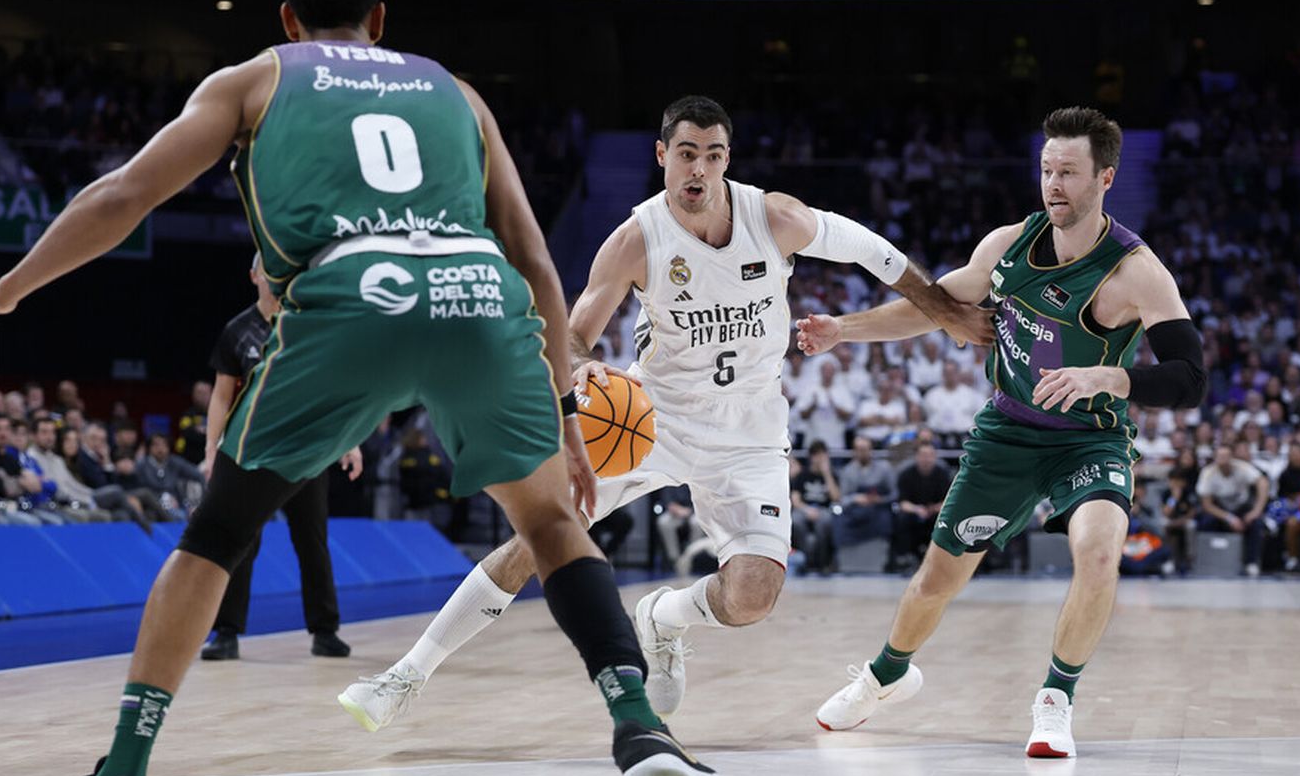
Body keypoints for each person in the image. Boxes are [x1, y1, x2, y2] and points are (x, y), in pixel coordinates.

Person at [0, 0, 729, 776]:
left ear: (287, 18)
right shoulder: (455, 92)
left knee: (217, 536)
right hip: (478, 294)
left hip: (353, 293)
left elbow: (123, 196)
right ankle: (639, 725)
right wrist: (565, 413)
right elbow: (536, 260)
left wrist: (8, 287)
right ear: (380, 18)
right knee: (550, 524)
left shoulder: (254, 80)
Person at [341, 93, 990, 727]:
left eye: (712, 155)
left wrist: (945, 311)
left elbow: (875, 252)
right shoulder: (636, 239)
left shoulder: (775, 217)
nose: (698, 168)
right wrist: (582, 363)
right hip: (651, 420)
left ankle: (664, 617)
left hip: (749, 431)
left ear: (728, 159)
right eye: (686, 153)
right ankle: (404, 675)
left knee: (753, 596)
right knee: (537, 538)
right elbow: (575, 333)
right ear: (662, 156)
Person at [803, 106, 1205, 757]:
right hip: (1008, 433)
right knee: (936, 580)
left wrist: (1109, 378)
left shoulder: (1136, 272)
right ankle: (886, 675)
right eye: (1047, 170)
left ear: (1105, 177)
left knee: (1099, 553)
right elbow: (935, 305)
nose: (1053, 184)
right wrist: (840, 330)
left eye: (1068, 172)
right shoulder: (1007, 245)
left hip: (1089, 440)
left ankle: (1055, 699)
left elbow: (1190, 378)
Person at [198, 255, 357, 661]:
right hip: (252, 452)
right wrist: (211, 449)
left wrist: (349, 440)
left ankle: (325, 630)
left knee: (311, 541)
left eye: (280, 272)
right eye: (266, 271)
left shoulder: (305, 324)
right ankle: (226, 632)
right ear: (253, 275)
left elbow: (332, 387)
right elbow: (221, 396)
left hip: (306, 451)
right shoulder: (237, 331)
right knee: (241, 540)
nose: (274, 278)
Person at [1196, 443, 1269, 576]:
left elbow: (1263, 482)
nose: (1223, 460)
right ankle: (1210, 560)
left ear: (1232, 457)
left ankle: (1251, 563)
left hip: (1242, 507)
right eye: (1220, 456)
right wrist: (1229, 518)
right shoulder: (1207, 473)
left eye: (1226, 456)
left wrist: (1256, 511)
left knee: (1256, 524)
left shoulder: (1242, 467)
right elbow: (1207, 504)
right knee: (1206, 522)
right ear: (1215, 458)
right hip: (1220, 510)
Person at [891, 441, 952, 571]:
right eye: (923, 455)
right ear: (916, 456)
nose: (926, 459)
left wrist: (933, 509)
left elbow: (949, 501)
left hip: (936, 513)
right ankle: (904, 558)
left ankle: (942, 559)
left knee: (946, 520)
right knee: (901, 519)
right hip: (914, 512)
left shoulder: (943, 474)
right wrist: (917, 509)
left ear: (935, 457)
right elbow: (902, 502)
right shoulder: (906, 474)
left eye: (930, 455)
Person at [790, 440, 840, 573]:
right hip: (804, 509)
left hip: (824, 510)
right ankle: (806, 561)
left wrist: (826, 474)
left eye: (823, 455)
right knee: (796, 521)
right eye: (817, 455)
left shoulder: (832, 475)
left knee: (825, 522)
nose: (820, 459)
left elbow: (836, 498)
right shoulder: (802, 475)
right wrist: (807, 510)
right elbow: (795, 500)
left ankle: (823, 563)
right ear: (811, 457)